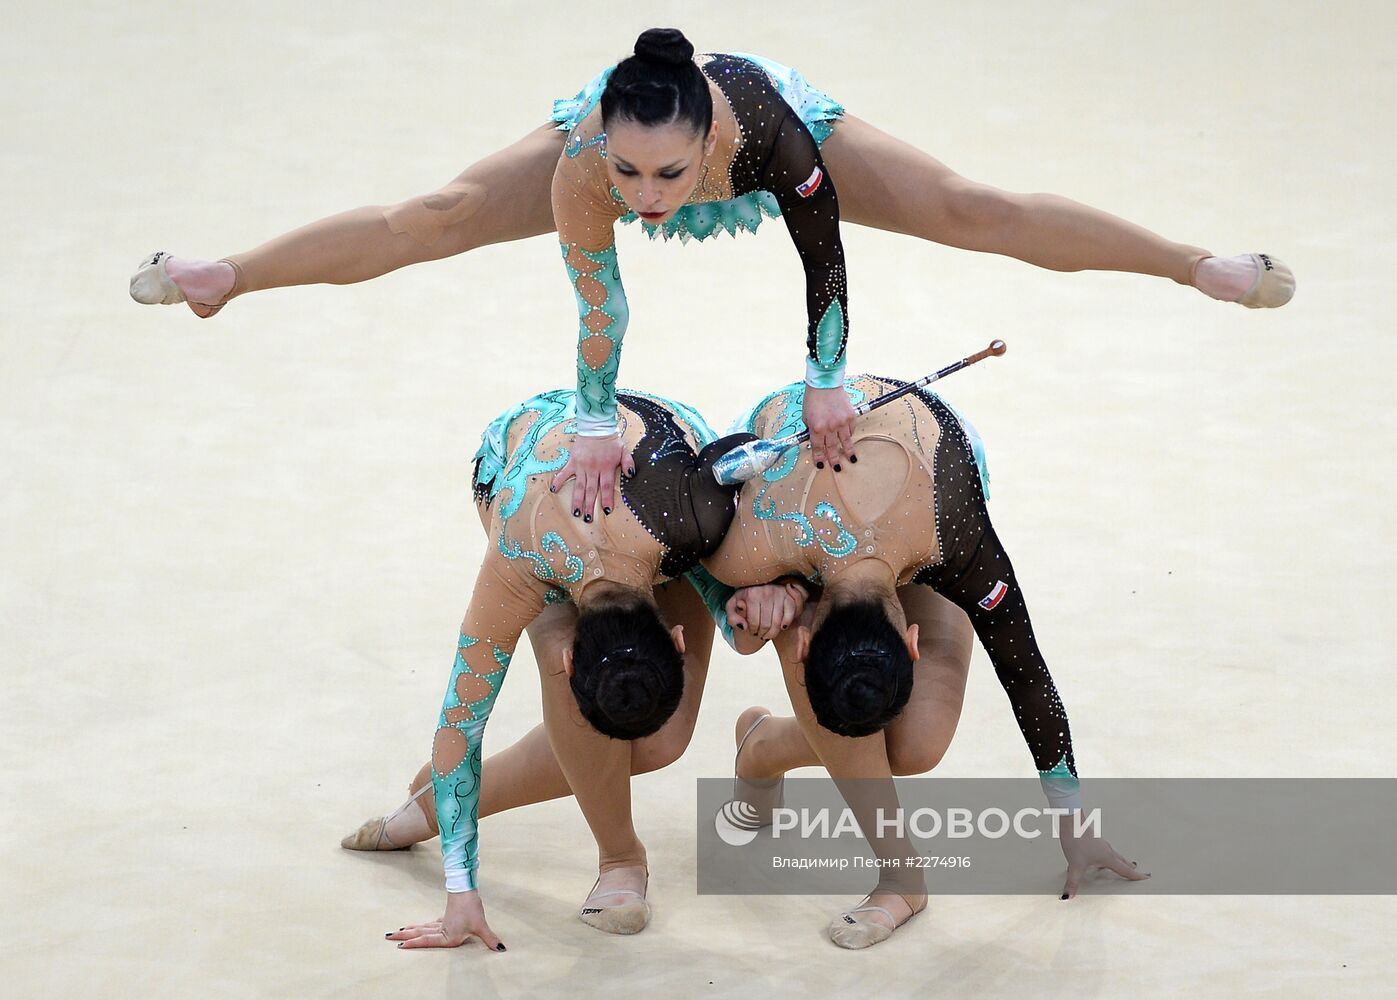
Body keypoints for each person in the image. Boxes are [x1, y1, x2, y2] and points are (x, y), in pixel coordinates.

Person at [129, 28, 1295, 516]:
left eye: (666, 179)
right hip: (642, 123)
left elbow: (821, 253)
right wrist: (592, 416)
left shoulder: (772, 138)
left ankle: (1194, 265)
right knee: (426, 214)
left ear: (703, 149)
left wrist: (827, 377)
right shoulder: (591, 160)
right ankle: (228, 274)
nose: (646, 203)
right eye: (630, 179)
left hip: (764, 121)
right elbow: (601, 294)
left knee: (964, 206)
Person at [689, 373, 1145, 948]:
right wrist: (754, 604)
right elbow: (689, 504)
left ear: (912, 639)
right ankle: (902, 880)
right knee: (855, 724)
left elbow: (1026, 673)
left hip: (925, 494)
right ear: (911, 640)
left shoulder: (962, 541)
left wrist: (1076, 826)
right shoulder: (747, 542)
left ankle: (764, 744)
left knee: (916, 745)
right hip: (792, 497)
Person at [370, 383, 778, 950]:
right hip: (523, 478)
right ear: (676, 639)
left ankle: (438, 799)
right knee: (601, 725)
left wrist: (754, 606)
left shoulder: (702, 517)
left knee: (662, 742)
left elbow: (741, 627)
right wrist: (460, 893)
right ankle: (621, 858)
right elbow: (459, 725)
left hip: (664, 462)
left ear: (677, 636)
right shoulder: (518, 567)